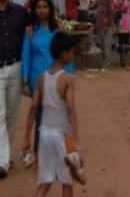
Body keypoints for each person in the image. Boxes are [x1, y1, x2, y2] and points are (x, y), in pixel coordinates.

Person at [23, 32, 84, 197]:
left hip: (44, 133)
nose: (73, 55)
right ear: (64, 53)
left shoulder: (41, 78)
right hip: (62, 134)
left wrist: (27, 137)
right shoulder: (68, 79)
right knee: (67, 182)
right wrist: (76, 141)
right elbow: (71, 109)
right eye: (72, 51)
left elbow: (34, 106)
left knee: (45, 181)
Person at [0, 0, 29, 179]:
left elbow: (30, 36)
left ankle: (5, 155)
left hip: (16, 67)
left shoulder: (20, 12)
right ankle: (2, 161)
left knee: (12, 115)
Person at [22, 0, 72, 96]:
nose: (42, 10)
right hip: (36, 77)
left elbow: (66, 53)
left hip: (58, 77)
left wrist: (69, 74)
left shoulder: (58, 28)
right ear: (34, 10)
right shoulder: (30, 30)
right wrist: (25, 82)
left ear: (50, 9)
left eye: (45, 7)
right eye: (38, 7)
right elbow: (26, 56)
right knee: (37, 109)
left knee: (58, 109)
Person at [95, 0, 114, 70]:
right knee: (102, 46)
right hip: (100, 24)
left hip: (107, 25)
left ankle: (106, 64)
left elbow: (111, 12)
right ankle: (103, 63)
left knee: (106, 46)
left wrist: (108, 24)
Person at [115, 0, 130, 68]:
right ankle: (122, 61)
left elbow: (122, 10)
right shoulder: (122, 2)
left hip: (125, 24)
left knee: (124, 44)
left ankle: (123, 61)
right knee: (122, 43)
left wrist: (117, 7)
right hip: (122, 25)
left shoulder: (126, 2)